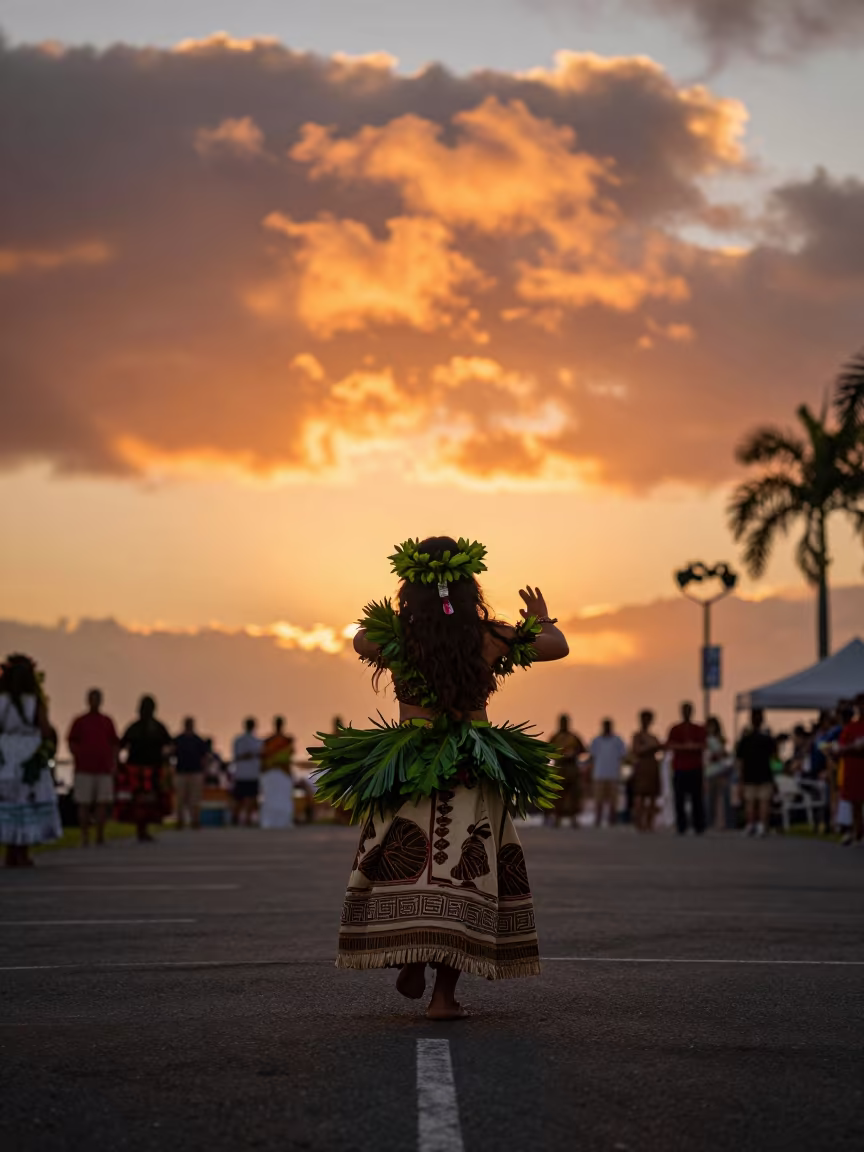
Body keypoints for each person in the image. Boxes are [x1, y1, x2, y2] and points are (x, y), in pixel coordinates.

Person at [311, 535, 568, 1020]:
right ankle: (443, 997)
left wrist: (405, 616)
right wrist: (541, 618)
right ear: (470, 584)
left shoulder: (399, 637)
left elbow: (359, 639)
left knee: (408, 859)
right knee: (463, 867)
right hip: (473, 766)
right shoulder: (487, 635)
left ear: (412, 586)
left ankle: (412, 954)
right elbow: (557, 646)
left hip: (408, 764)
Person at [0, 653, 62, 866]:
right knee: (27, 801)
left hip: (6, 753)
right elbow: (45, 730)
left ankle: (10, 851)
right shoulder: (34, 702)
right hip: (29, 752)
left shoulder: (2, 701)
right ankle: (22, 852)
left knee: (9, 802)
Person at [67, 688, 119, 846]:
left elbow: (114, 743)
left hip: (103, 768)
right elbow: (71, 740)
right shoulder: (80, 721)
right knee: (84, 803)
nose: (94, 702)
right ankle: (84, 836)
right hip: (84, 768)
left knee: (102, 802)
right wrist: (77, 754)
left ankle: (99, 835)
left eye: (97, 698)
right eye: (92, 698)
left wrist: (114, 763)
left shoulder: (107, 721)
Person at [117, 696, 173, 843]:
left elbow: (169, 746)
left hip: (151, 768)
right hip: (137, 769)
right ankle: (141, 829)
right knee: (140, 800)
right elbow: (121, 745)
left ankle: (144, 829)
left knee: (148, 801)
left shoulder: (157, 727)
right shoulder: (135, 727)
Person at [666, 702, 707, 835]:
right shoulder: (675, 728)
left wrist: (690, 747)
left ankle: (698, 825)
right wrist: (686, 747)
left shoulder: (699, 728)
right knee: (679, 799)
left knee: (697, 798)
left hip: (695, 767)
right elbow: (670, 744)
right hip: (680, 768)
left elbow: (703, 745)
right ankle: (681, 826)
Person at [735, 708, 776, 837]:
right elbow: (774, 758)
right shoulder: (767, 739)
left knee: (750, 802)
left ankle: (750, 824)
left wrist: (740, 779)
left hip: (749, 774)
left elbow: (740, 761)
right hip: (765, 774)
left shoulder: (745, 740)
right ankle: (761, 825)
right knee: (763, 801)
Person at [549, 714, 586, 828]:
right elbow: (548, 750)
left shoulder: (574, 737)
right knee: (558, 796)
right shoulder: (555, 737)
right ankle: (557, 819)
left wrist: (573, 753)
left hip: (572, 770)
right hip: (560, 770)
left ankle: (573, 819)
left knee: (573, 796)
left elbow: (583, 750)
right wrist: (560, 755)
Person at [589, 719, 627, 828]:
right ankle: (598, 821)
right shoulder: (596, 740)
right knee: (598, 800)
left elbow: (623, 756)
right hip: (599, 774)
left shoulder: (617, 740)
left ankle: (612, 822)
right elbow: (592, 757)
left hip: (613, 774)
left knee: (613, 801)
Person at [837, 694, 864, 846]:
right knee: (856, 804)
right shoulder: (851, 728)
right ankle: (857, 833)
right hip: (853, 770)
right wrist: (854, 747)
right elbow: (840, 748)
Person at [260, 715, 295, 830]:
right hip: (277, 771)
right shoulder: (280, 740)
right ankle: (275, 821)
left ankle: (279, 821)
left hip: (278, 771)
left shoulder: (282, 740)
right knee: (275, 798)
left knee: (278, 798)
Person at [173, 717, 208, 830]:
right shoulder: (178, 739)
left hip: (195, 772)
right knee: (180, 799)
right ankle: (180, 821)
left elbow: (204, 757)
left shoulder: (198, 740)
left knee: (195, 799)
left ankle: (195, 821)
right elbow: (171, 752)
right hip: (181, 772)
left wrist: (203, 771)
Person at [630, 710, 662, 832]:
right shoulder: (637, 736)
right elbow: (636, 750)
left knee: (653, 796)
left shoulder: (652, 736)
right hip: (642, 766)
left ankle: (649, 823)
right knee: (640, 796)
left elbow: (659, 747)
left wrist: (652, 747)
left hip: (652, 766)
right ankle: (639, 823)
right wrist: (650, 747)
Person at [232, 718, 262, 826]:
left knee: (249, 798)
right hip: (245, 774)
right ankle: (238, 818)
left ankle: (246, 819)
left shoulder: (256, 741)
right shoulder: (242, 740)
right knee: (240, 798)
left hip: (250, 774)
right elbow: (237, 756)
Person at [704, 716, 732, 831]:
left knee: (721, 798)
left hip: (721, 770)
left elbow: (724, 754)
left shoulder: (720, 739)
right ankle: (710, 822)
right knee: (710, 798)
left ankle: (721, 822)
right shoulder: (705, 740)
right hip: (710, 772)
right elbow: (708, 756)